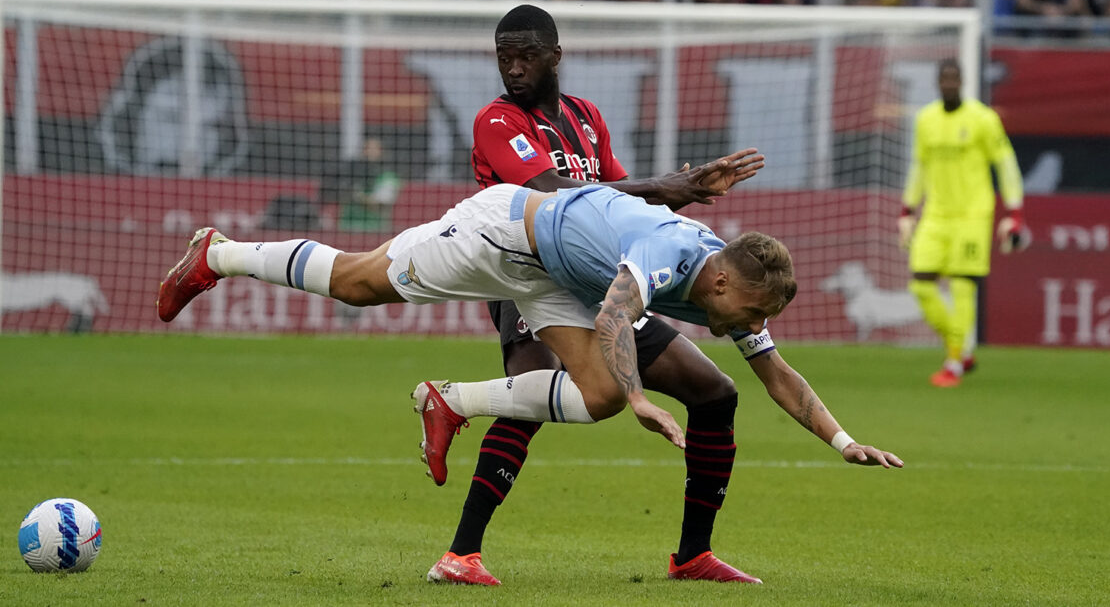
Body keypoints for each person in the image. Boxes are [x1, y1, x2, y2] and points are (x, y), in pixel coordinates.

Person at [157, 184, 905, 582]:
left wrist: (842, 440)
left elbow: (775, 369)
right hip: (500, 235)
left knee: (601, 397)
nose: (754, 323)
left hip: (552, 272)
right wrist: (645, 396)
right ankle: (219, 255)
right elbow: (616, 317)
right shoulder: (669, 255)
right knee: (358, 282)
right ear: (722, 280)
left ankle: (452, 400)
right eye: (755, 309)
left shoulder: (726, 284)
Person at [445, 3, 766, 587]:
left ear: (556, 57)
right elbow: (549, 192)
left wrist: (685, 190)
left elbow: (617, 199)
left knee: (715, 393)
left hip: (599, 280)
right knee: (533, 397)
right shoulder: (495, 121)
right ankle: (461, 553)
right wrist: (663, 185)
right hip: (527, 274)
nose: (513, 69)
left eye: (526, 57)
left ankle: (693, 555)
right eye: (504, 58)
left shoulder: (585, 116)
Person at [898, 59, 1028, 388]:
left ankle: (954, 361)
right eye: (945, 78)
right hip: (936, 214)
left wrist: (1014, 214)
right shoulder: (926, 119)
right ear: (937, 82)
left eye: (955, 78)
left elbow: (1006, 164)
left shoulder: (983, 119)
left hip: (972, 215)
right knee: (920, 286)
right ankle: (962, 348)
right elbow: (919, 167)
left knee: (961, 286)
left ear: (963, 81)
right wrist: (907, 210)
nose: (949, 83)